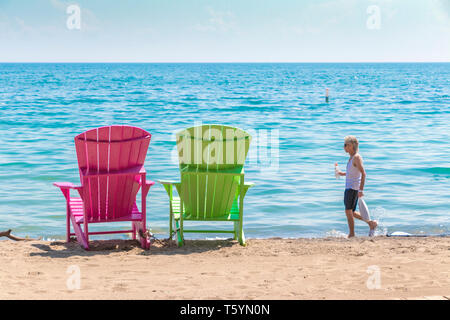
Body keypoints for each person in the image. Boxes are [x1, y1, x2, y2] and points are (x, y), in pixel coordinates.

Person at [336, 136, 377, 238]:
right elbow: (353, 172)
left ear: (350, 146)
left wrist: (361, 190)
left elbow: (363, 173)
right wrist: (341, 173)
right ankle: (371, 223)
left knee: (348, 211)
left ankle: (352, 234)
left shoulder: (356, 157)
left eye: (345, 145)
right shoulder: (351, 158)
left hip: (352, 188)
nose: (343, 147)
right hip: (349, 188)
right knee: (352, 212)